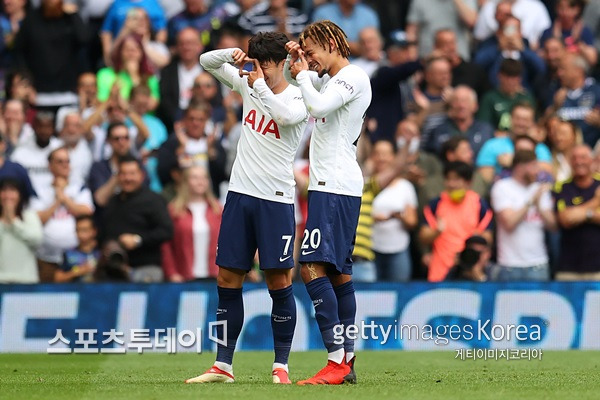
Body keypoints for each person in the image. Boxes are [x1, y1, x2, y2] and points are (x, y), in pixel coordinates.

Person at [186, 31, 309, 385]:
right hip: (240, 195)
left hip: (276, 199)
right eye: (258, 64)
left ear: (282, 64)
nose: (262, 71)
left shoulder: (299, 96)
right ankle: (223, 365)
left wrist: (259, 87)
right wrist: (235, 54)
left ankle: (280, 366)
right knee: (227, 278)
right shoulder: (248, 82)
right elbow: (207, 62)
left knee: (278, 280)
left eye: (267, 64)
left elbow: (285, 118)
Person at [286, 19, 371, 385]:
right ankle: (347, 361)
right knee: (338, 273)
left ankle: (335, 361)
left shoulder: (353, 77)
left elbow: (316, 105)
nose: (309, 59)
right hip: (334, 184)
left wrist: (303, 74)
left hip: (334, 184)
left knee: (310, 266)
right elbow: (297, 86)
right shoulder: (331, 79)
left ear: (332, 45)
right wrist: (295, 63)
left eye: (311, 51)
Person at [419, 161, 493, 282]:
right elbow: (423, 236)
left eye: (456, 179)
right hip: (440, 271)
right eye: (448, 179)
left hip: (470, 270)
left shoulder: (479, 204)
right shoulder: (436, 204)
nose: (451, 184)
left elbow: (487, 237)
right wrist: (436, 232)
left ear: (468, 182)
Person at [102, 155, 172, 282]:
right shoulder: (112, 202)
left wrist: (138, 240)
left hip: (145, 268)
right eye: (123, 174)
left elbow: (167, 231)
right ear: (117, 176)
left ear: (141, 175)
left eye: (132, 174)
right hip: (114, 270)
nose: (128, 178)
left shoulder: (154, 200)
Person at [490, 150, 557, 281]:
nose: (538, 171)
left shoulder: (539, 189)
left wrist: (539, 206)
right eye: (533, 166)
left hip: (538, 264)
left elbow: (553, 226)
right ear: (520, 167)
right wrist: (531, 202)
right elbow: (509, 223)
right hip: (510, 265)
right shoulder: (502, 187)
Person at [31, 147, 94, 279]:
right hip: (46, 258)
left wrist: (63, 196)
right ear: (50, 165)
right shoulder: (39, 190)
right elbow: (37, 220)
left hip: (77, 258)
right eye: (60, 161)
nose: (65, 165)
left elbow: (87, 211)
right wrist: (57, 201)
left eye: (67, 161)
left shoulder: (79, 187)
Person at [161, 165, 222, 281]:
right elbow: (166, 246)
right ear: (185, 181)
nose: (200, 181)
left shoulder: (218, 210)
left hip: (215, 276)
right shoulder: (174, 210)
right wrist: (171, 272)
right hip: (184, 276)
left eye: (204, 177)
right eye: (195, 177)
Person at [370, 140, 418, 282]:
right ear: (372, 157)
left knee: (399, 290)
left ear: (393, 157)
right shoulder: (364, 184)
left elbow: (412, 222)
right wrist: (372, 218)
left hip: (398, 248)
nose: (381, 158)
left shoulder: (405, 187)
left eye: (385, 154)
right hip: (371, 249)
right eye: (377, 154)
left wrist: (398, 216)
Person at [553, 144, 600, 280]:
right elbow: (566, 220)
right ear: (569, 162)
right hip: (569, 267)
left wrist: (580, 214)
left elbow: (572, 217)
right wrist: (596, 203)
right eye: (574, 158)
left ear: (592, 160)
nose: (579, 162)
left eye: (583, 157)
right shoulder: (562, 187)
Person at [0, 177, 43, 283]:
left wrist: (14, 223)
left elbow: (37, 240)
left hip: (26, 280)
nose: (8, 196)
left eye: (12, 191)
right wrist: (4, 220)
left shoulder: (29, 216)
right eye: (4, 191)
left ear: (20, 195)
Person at [57, 215, 100, 282]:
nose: (80, 234)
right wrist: (77, 272)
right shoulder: (68, 253)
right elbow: (58, 278)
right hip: (75, 290)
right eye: (78, 230)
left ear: (94, 231)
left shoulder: (101, 253)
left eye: (84, 230)